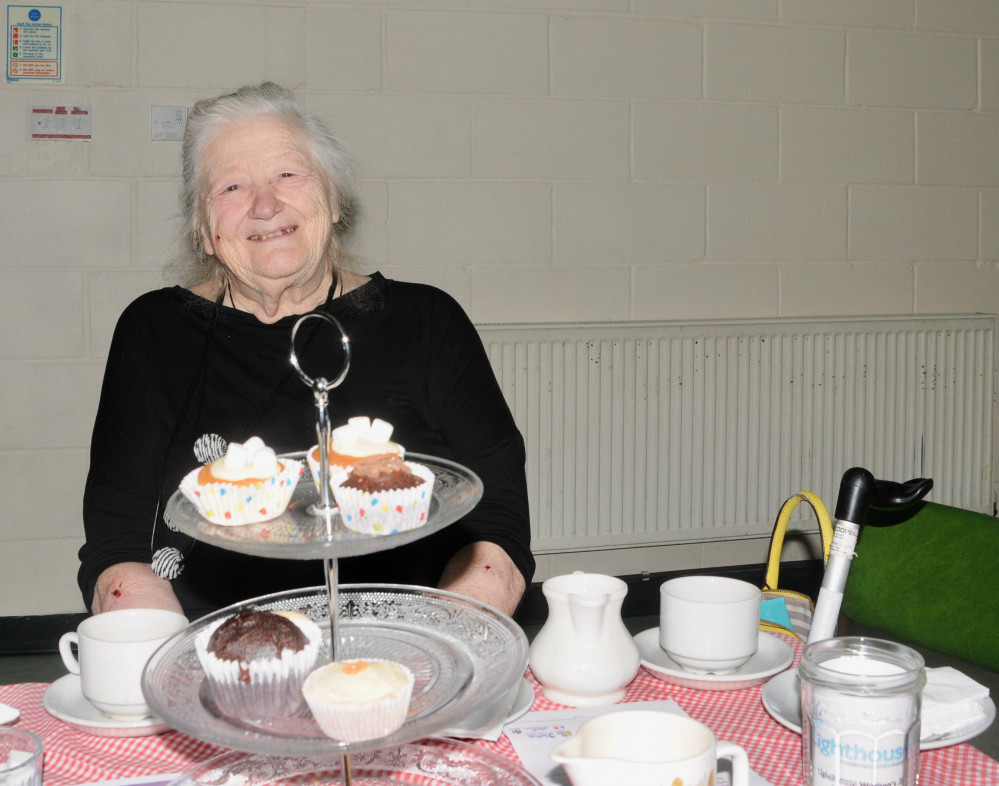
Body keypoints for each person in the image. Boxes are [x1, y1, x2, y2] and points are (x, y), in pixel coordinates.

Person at [78, 82, 533, 621]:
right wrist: (180, 671)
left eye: (288, 175)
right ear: (204, 230)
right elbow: (117, 548)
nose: (265, 205)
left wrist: (434, 658)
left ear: (334, 198)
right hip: (209, 646)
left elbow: (498, 526)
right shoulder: (152, 332)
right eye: (231, 187)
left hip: (411, 640)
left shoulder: (427, 322)